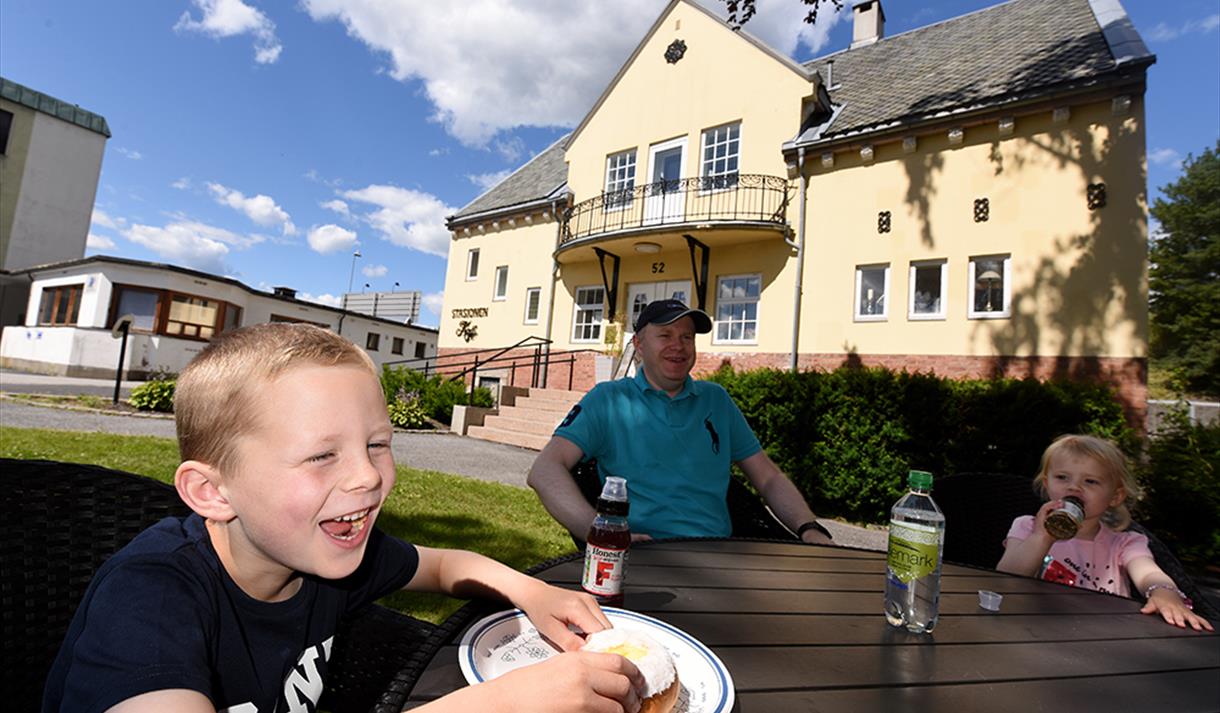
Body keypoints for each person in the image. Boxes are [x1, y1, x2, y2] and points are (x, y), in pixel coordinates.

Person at [43, 323, 646, 713]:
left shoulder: (330, 556)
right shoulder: (150, 597)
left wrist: (530, 591)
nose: (367, 477)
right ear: (211, 492)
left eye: (377, 444)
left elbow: (444, 563)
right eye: (322, 455)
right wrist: (494, 705)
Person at [528, 299, 833, 545]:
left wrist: (809, 527)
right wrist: (598, 532)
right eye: (665, 335)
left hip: (719, 555)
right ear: (639, 344)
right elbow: (544, 470)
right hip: (642, 554)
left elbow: (768, 478)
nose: (679, 345)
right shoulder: (608, 400)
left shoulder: (716, 401)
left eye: (687, 337)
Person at [996, 434, 1213, 631]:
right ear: (1047, 483)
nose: (1074, 487)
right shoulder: (1028, 527)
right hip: (1036, 627)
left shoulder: (1125, 543)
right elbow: (1006, 579)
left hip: (1106, 633)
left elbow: (1148, 573)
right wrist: (1042, 537)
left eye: (1090, 481)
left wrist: (1164, 592)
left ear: (1115, 496)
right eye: (1062, 477)